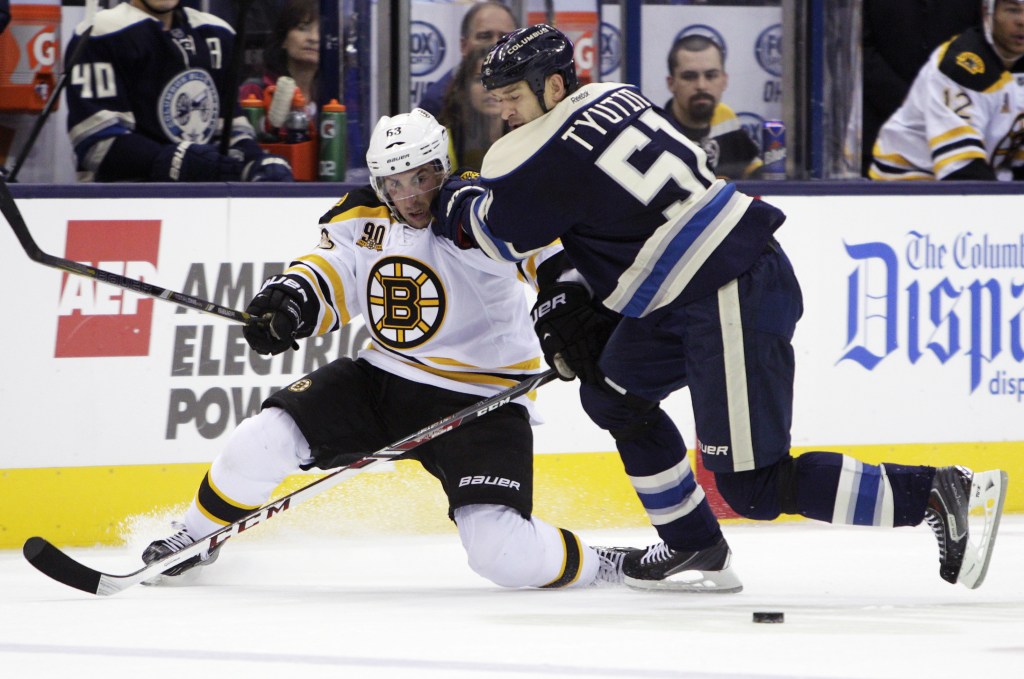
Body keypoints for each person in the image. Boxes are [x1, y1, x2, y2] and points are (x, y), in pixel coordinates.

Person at [431, 24, 1009, 592]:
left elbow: (499, 235)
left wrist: (454, 195)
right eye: (497, 99)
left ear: (553, 87)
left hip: (725, 293)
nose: (503, 112)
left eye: (511, 97)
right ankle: (691, 542)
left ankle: (935, 491)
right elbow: (610, 212)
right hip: (700, 287)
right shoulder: (617, 97)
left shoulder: (543, 148)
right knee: (613, 390)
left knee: (753, 487)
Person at [140, 107, 633, 590]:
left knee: (502, 556)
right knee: (264, 437)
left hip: (483, 398)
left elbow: (550, 260)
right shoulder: (361, 215)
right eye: (394, 184)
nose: (411, 197)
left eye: (422, 177)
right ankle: (195, 537)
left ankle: (606, 564)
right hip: (383, 379)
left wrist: (570, 305)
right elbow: (331, 269)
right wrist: (292, 298)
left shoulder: (484, 206)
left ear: (443, 164)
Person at [65, 0, 292, 182]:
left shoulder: (217, 33)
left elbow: (230, 130)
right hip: (122, 204)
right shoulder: (101, 33)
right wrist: (181, 162)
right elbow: (98, 143)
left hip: (203, 203)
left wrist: (254, 162)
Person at [869, 0, 1024, 181]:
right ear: (987, 13)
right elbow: (961, 169)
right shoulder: (959, 67)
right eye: (1013, 10)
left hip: (976, 179)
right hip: (905, 183)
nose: (1022, 20)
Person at [861, 0, 980, 177]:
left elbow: (982, 41)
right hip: (880, 132)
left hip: (959, 134)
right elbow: (855, 46)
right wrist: (908, 100)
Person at [662, 34, 762, 180]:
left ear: (724, 80)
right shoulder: (658, 133)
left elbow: (756, 174)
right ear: (671, 83)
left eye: (711, 75)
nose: (701, 86)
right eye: (689, 77)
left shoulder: (725, 118)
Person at [417, 1, 517, 118]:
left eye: (505, 38)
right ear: (464, 46)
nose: (495, 45)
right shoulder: (438, 100)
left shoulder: (532, 90)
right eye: (485, 36)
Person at [239, 0, 319, 121]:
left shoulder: (334, 92)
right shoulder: (256, 90)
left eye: (321, 31)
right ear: (284, 39)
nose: (313, 38)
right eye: (302, 28)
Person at [437, 46, 504, 171]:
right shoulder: (443, 142)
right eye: (479, 79)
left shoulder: (530, 133)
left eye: (498, 77)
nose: (489, 87)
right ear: (464, 88)